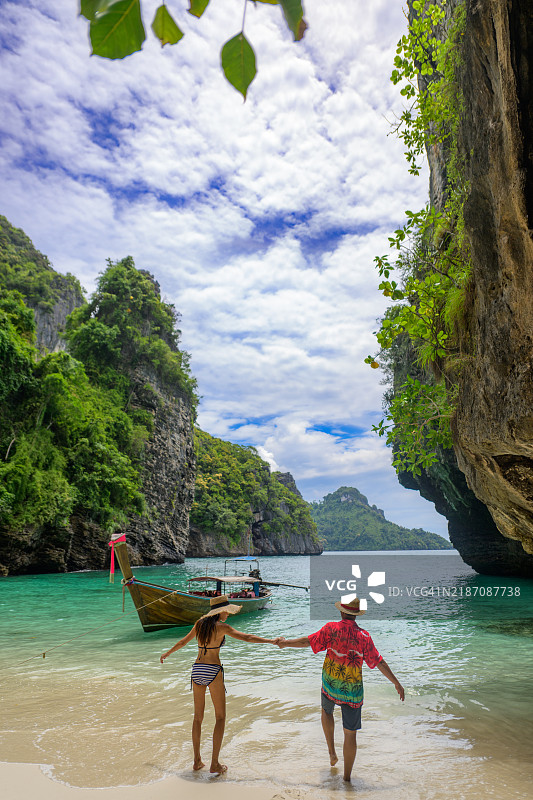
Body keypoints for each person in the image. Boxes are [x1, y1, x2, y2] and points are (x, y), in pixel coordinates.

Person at [277, 596, 404, 782]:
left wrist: (284, 643)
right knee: (350, 734)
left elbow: (307, 641)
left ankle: (331, 752)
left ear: (341, 611)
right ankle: (346, 778)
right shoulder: (364, 637)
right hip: (352, 691)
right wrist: (396, 683)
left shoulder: (331, 629)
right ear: (356, 615)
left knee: (326, 711)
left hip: (331, 684)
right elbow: (379, 662)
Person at [160, 594, 280, 775]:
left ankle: (197, 761)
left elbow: (183, 642)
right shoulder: (222, 627)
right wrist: (271, 641)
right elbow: (247, 638)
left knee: (197, 718)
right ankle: (214, 763)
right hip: (213, 670)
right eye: (227, 611)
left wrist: (167, 654)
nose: (228, 614)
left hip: (197, 670)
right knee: (220, 717)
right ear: (220, 611)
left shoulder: (199, 624)